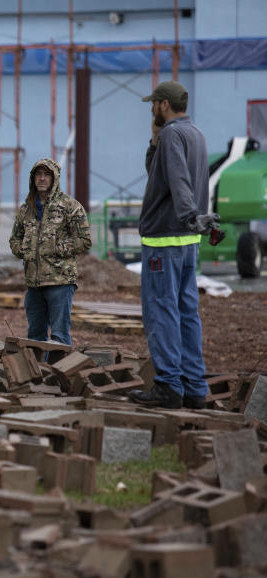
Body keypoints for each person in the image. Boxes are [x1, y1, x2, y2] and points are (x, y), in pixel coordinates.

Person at [128, 81, 211, 409]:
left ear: (164, 104)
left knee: (161, 312)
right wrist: (153, 139)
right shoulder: (195, 134)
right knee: (187, 312)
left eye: (154, 104)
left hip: (165, 239)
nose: (151, 108)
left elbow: (176, 180)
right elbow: (158, 173)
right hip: (188, 242)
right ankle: (194, 386)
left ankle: (168, 386)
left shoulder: (174, 135)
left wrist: (189, 214)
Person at [9, 159, 91, 345]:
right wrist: (23, 250)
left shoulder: (70, 206)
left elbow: (84, 240)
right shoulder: (26, 209)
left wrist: (57, 248)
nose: (42, 179)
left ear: (55, 178)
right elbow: (15, 238)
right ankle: (38, 372)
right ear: (32, 179)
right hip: (33, 283)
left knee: (59, 337)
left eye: (47, 175)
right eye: (38, 175)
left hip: (60, 281)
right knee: (35, 337)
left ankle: (59, 372)